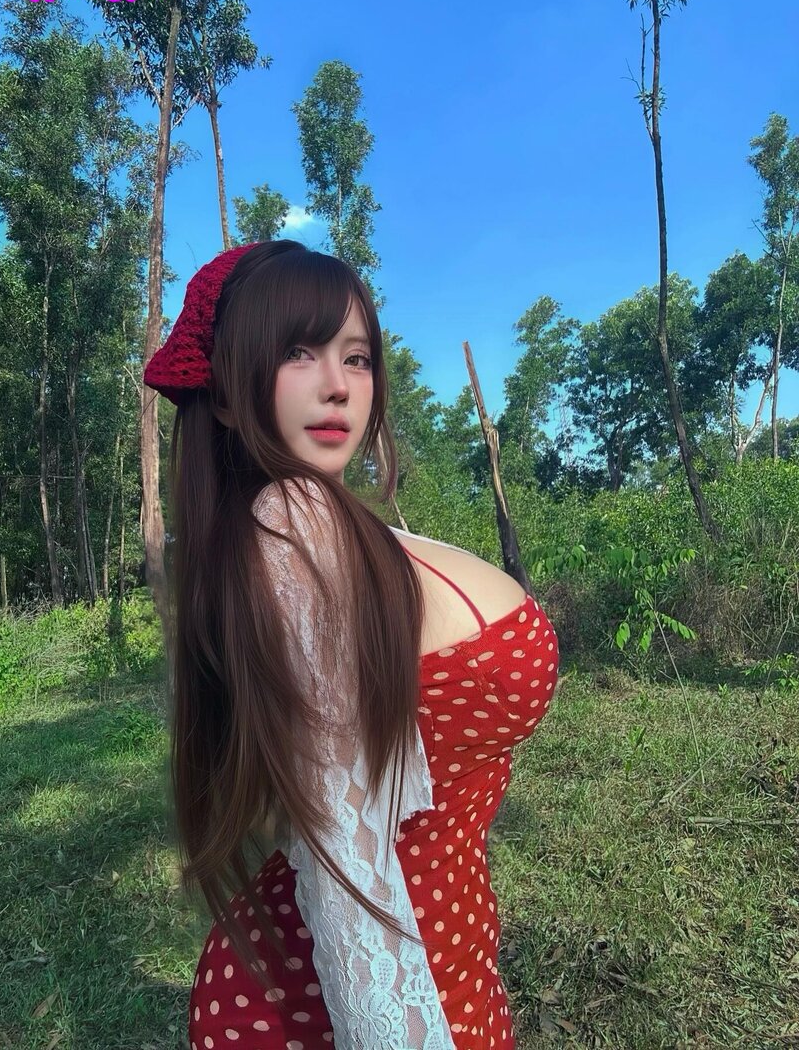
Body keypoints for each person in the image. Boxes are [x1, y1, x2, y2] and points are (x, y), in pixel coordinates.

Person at [143, 240, 560, 1048]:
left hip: (438, 947)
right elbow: (344, 856)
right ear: (224, 395)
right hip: (356, 997)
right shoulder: (293, 531)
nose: (337, 384)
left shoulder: (319, 526)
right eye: (297, 352)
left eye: (357, 356)